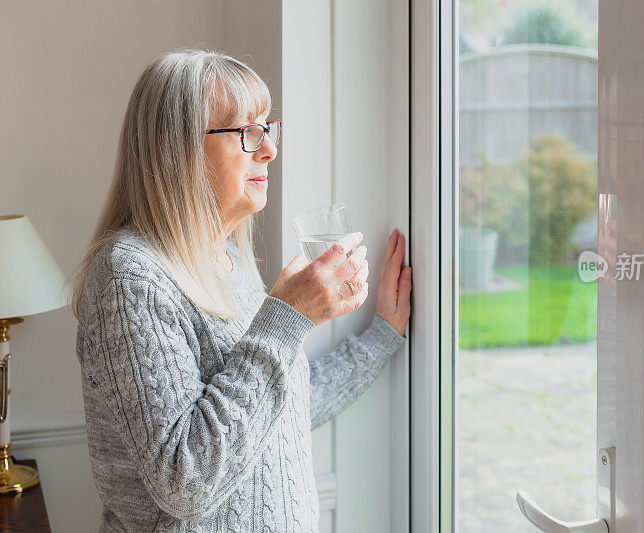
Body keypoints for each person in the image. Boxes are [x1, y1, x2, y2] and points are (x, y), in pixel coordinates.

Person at [68, 47, 412, 532]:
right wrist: (286, 320)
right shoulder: (130, 278)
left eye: (268, 129)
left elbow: (273, 412)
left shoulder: (227, 260)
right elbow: (185, 481)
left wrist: (380, 336)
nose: (269, 149)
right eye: (247, 133)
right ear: (176, 148)